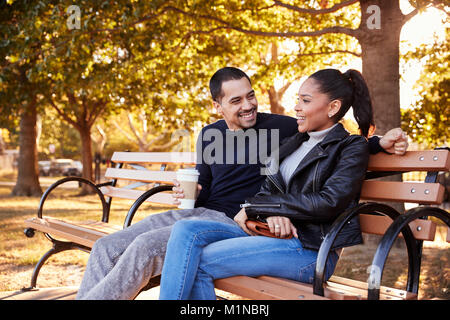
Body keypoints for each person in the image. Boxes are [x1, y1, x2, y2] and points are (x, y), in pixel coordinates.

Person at [76, 67, 407, 300]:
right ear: (217, 106)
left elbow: (335, 143)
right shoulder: (210, 134)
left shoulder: (286, 128)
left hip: (238, 223)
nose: (248, 105)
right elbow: (205, 181)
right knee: (108, 246)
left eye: (250, 96)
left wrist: (379, 144)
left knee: (148, 248)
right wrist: (190, 190)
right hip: (202, 213)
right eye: (236, 101)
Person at [158, 68, 377, 299]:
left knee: (197, 262)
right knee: (184, 230)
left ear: (333, 107)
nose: (297, 107)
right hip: (272, 236)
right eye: (297, 99)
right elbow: (266, 190)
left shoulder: (350, 147)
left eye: (305, 100)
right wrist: (269, 212)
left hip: (311, 250)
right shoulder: (294, 141)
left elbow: (328, 202)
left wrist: (259, 208)